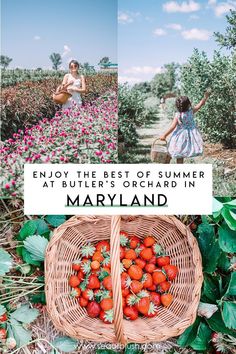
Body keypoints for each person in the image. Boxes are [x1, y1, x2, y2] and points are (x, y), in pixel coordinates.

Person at [159, 92, 210, 164]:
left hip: (179, 136)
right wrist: (205, 97)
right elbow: (200, 104)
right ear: (188, 104)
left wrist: (164, 135)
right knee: (181, 154)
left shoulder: (178, 115)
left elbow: (172, 127)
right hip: (188, 137)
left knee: (170, 151)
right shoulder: (191, 111)